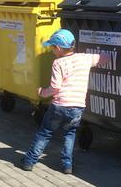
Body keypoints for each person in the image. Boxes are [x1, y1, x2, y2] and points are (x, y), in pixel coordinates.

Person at [19, 29, 102, 174]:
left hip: (59, 106)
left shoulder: (58, 63)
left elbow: (55, 87)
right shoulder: (85, 58)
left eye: (52, 47)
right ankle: (67, 164)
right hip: (77, 106)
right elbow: (103, 58)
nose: (51, 50)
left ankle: (29, 161)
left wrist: (42, 92)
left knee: (45, 133)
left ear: (58, 48)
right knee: (70, 133)